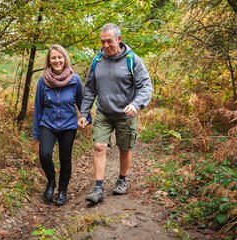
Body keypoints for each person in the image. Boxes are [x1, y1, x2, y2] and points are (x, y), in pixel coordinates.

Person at [78, 23, 153, 203]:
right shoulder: (97, 61)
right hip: (104, 112)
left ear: (119, 39)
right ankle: (98, 188)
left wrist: (136, 105)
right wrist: (83, 113)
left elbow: (146, 87)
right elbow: (89, 90)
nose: (105, 46)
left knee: (124, 149)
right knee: (99, 147)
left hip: (126, 114)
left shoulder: (132, 60)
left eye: (109, 41)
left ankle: (122, 179)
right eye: (102, 42)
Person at [33, 45, 89, 205]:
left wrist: (85, 117)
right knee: (44, 155)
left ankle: (62, 191)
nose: (57, 60)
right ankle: (51, 181)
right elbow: (38, 107)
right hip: (47, 124)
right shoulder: (43, 81)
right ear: (49, 61)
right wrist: (36, 132)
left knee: (65, 159)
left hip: (68, 126)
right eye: (53, 58)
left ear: (64, 59)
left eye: (60, 57)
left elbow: (82, 103)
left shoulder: (75, 80)